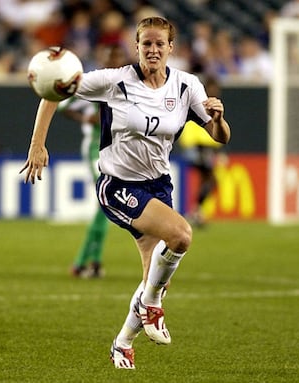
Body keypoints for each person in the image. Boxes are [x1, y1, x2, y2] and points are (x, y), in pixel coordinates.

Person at [20, 17, 230, 369]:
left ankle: (123, 342)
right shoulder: (114, 80)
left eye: (159, 44)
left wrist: (219, 118)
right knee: (181, 235)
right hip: (118, 185)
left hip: (159, 186)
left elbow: (219, 136)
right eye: (145, 43)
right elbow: (55, 91)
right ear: (137, 46)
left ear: (170, 48)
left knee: (155, 280)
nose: (152, 49)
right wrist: (37, 145)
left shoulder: (185, 86)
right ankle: (151, 306)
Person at [57, 44, 130, 278]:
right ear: (103, 58)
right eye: (112, 55)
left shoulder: (128, 84)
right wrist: (86, 118)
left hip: (117, 152)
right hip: (94, 150)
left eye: (118, 55)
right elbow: (62, 105)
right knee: (106, 202)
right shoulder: (94, 83)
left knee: (107, 206)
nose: (116, 59)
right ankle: (83, 262)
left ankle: (91, 262)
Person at [178, 76, 224, 227]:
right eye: (212, 88)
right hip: (196, 148)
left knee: (208, 181)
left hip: (204, 149)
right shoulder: (200, 103)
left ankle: (196, 212)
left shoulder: (213, 106)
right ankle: (196, 211)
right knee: (211, 180)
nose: (215, 92)